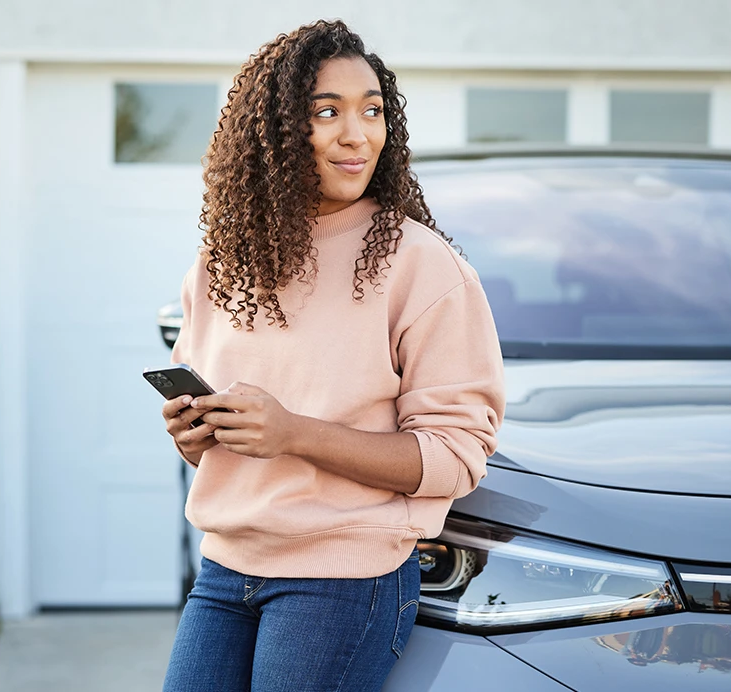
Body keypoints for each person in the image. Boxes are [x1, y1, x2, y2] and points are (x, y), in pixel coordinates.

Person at [160, 19, 506, 692]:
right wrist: (194, 435)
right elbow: (218, 448)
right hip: (226, 568)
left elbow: (456, 457)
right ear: (275, 132)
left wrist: (293, 434)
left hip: (343, 581)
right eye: (328, 113)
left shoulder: (420, 266)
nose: (358, 134)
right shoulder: (221, 266)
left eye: (372, 110)